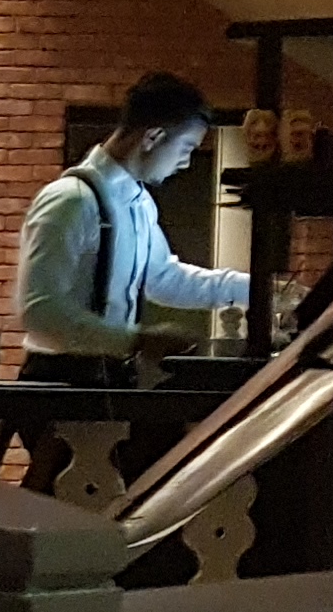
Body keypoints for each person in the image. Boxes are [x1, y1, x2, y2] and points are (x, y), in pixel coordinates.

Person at [13, 71, 252, 385]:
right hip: (58, 381)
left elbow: (163, 278)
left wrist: (255, 289)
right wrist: (137, 340)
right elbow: (39, 311)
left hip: (111, 377)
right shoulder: (70, 200)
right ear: (152, 137)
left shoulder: (140, 203)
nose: (186, 162)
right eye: (186, 148)